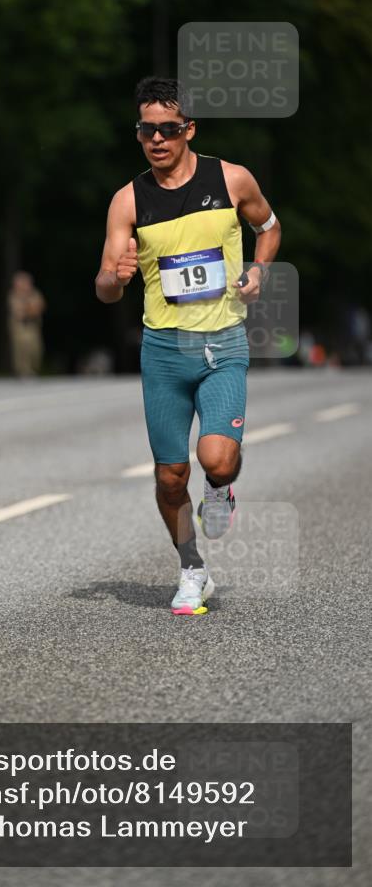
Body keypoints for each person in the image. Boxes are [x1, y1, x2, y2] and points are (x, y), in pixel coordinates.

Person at [95, 77, 281, 615]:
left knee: (215, 460)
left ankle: (221, 489)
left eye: (168, 129)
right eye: (147, 130)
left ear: (188, 130)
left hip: (223, 343)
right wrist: (116, 276)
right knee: (169, 475)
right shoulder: (127, 201)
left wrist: (259, 269)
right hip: (163, 351)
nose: (157, 139)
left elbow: (269, 227)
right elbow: (105, 286)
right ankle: (192, 568)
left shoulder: (231, 179)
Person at [8, 271, 46, 377]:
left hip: (34, 327)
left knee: (36, 350)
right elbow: (20, 313)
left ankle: (34, 368)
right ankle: (23, 371)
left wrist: (30, 309)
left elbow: (40, 307)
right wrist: (31, 308)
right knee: (21, 350)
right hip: (20, 328)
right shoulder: (14, 295)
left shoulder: (35, 293)